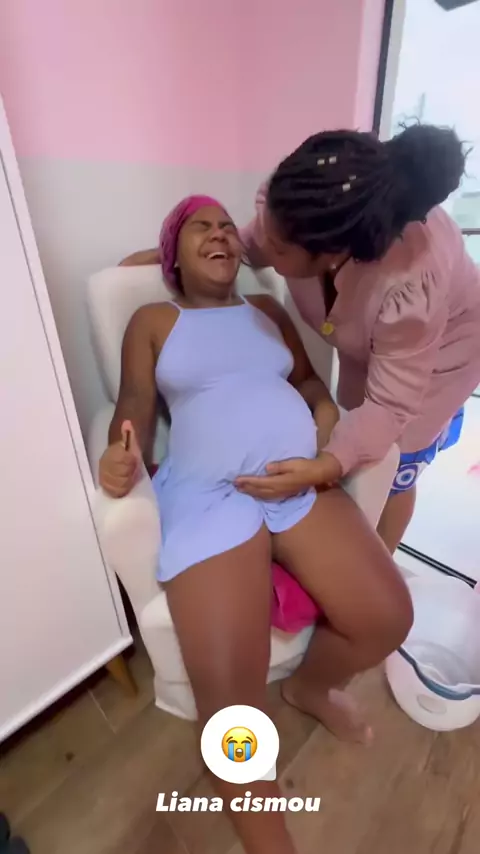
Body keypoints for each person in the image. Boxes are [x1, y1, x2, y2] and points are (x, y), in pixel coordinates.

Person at [102, 196, 412, 854]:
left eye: (225, 226)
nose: (219, 232)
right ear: (173, 253)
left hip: (297, 484)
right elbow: (133, 402)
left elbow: (309, 383)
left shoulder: (267, 310)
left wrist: (323, 428)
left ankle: (309, 685)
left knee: (388, 617)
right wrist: (118, 452)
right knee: (231, 709)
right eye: (200, 226)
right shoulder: (154, 319)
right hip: (211, 496)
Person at [235, 124, 480, 553]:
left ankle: (381, 558)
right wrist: (180, 255)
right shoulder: (301, 202)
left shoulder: (408, 285)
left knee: (394, 462)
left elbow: (390, 406)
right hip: (384, 336)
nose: (264, 247)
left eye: (279, 247)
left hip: (448, 351)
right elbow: (255, 241)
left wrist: (326, 465)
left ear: (332, 255)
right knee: (355, 431)